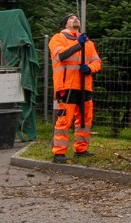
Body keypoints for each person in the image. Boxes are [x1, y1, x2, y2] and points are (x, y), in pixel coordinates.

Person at [47, 14, 101, 163]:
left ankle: (81, 149)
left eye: (77, 17)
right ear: (65, 24)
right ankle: (59, 153)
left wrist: (89, 68)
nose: (75, 19)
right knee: (64, 119)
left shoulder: (88, 43)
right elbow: (61, 56)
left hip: (85, 85)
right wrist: (78, 43)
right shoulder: (58, 38)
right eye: (71, 18)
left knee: (85, 119)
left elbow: (97, 61)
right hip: (66, 86)